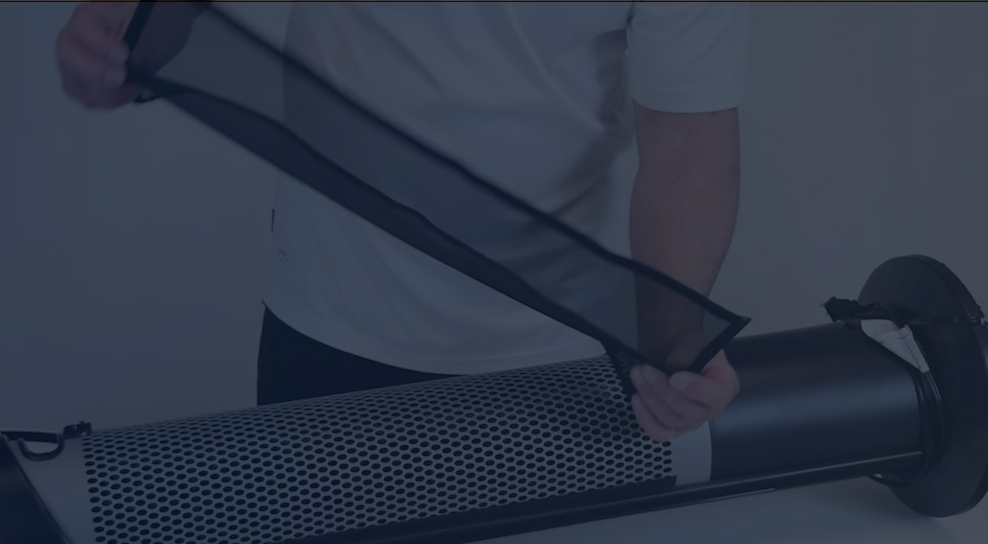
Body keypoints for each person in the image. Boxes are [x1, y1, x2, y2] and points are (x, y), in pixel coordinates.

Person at [55, 1, 748, 442]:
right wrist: (121, 22)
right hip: (330, 322)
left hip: (557, 353)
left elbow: (689, 143)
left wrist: (670, 337)